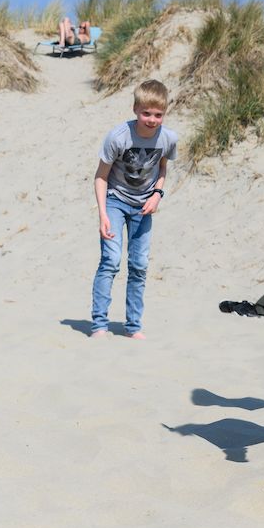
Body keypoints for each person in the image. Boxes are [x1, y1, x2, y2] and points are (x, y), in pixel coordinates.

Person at [90, 79, 177, 339]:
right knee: (111, 261)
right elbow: (100, 177)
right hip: (116, 202)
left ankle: (133, 326)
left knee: (139, 265)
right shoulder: (118, 137)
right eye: (146, 113)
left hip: (144, 207)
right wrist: (103, 214)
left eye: (158, 115)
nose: (152, 119)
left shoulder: (168, 138)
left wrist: (157, 195)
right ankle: (99, 324)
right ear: (135, 109)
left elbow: (162, 167)